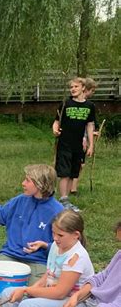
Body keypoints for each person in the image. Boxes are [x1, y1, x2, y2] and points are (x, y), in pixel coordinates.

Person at [0, 164, 64, 288]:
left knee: (36, 289)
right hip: (11, 255)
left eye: (27, 180)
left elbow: (64, 245)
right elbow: (0, 215)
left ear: (41, 184)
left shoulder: (58, 211)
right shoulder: (20, 200)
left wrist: (45, 245)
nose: (23, 183)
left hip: (38, 261)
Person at [52, 77, 95, 211]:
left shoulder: (90, 106)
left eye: (76, 86)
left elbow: (90, 125)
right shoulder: (66, 103)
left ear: (83, 88)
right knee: (64, 172)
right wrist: (55, 129)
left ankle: (66, 199)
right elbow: (56, 121)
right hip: (65, 143)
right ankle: (63, 200)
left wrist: (90, 144)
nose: (73, 89)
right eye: (71, 87)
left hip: (78, 145)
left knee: (73, 172)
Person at [70, 77, 98, 196]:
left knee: (79, 164)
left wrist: (93, 133)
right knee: (79, 164)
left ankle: (72, 187)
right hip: (80, 140)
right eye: (93, 91)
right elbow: (80, 124)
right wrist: (85, 138)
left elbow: (89, 124)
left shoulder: (89, 105)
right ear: (87, 90)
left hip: (84, 138)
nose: (93, 94)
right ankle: (72, 188)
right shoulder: (80, 104)